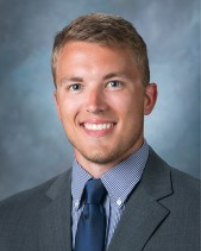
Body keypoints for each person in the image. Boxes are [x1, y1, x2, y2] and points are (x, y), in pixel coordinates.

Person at [0, 13, 201, 251]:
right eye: (76, 86)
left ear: (148, 99)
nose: (94, 105)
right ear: (58, 104)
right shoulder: (8, 220)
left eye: (113, 83)